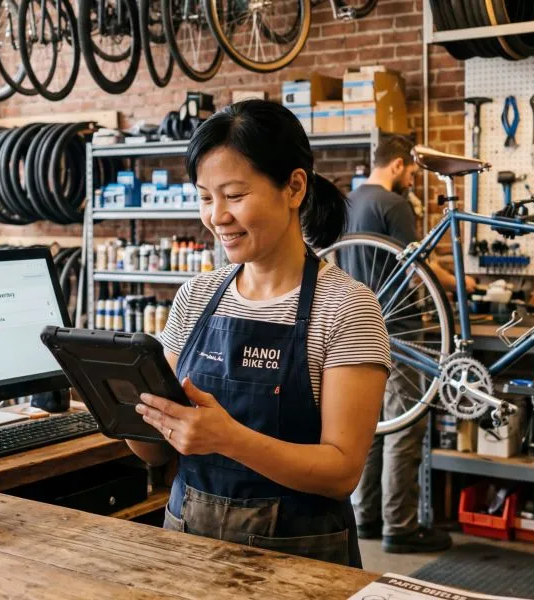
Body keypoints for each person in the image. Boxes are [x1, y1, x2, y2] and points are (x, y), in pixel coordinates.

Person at [127, 99, 392, 568]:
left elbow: (341, 471)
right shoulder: (195, 297)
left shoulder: (348, 307)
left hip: (302, 561)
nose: (216, 216)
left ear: (293, 187)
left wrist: (228, 438)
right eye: (206, 197)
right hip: (188, 549)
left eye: (234, 195)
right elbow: (152, 453)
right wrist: (122, 405)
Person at [345, 135, 475, 554]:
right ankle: (399, 527)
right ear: (399, 165)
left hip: (358, 328)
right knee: (405, 424)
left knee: (371, 425)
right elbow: (417, 269)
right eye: (413, 172)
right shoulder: (394, 205)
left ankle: (364, 517)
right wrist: (466, 284)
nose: (412, 181)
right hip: (399, 329)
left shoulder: (349, 202)